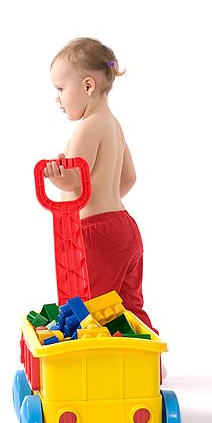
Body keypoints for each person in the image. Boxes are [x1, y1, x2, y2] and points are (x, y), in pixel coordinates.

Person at [44, 37, 155, 332]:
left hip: (96, 233)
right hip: (124, 227)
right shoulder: (113, 124)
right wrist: (105, 199)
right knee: (128, 303)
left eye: (60, 88)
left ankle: (94, 365)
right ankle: (151, 360)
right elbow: (129, 177)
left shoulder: (87, 127)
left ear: (88, 86)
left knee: (91, 305)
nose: (57, 98)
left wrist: (58, 177)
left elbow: (77, 186)